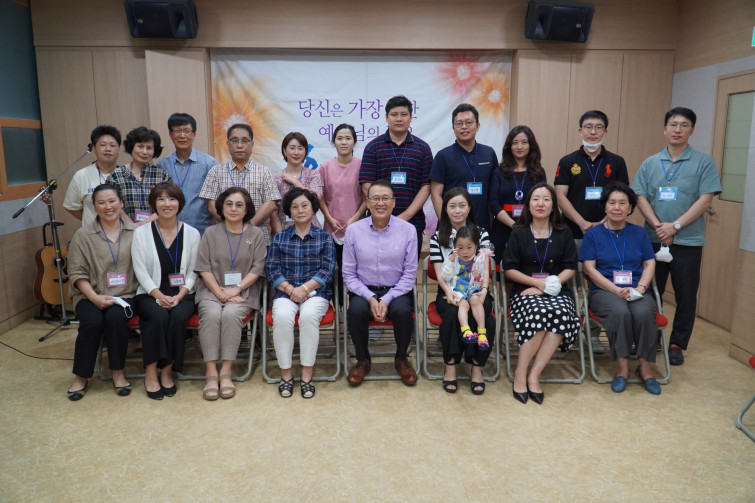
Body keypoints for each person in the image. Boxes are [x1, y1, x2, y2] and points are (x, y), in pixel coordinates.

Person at [633, 107, 722, 366]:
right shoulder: (650, 163)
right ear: (665, 129)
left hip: (688, 242)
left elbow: (706, 199)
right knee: (651, 292)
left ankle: (677, 344)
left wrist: (676, 226)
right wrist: (659, 226)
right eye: (673, 124)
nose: (678, 130)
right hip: (653, 238)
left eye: (684, 125)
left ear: (691, 130)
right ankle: (650, 337)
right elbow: (640, 197)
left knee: (686, 295)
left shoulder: (704, 162)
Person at [501, 183, 581, 405]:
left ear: (553, 205)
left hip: (558, 291)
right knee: (539, 314)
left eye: (546, 199)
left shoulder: (564, 232)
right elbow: (509, 269)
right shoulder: (519, 232)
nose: (541, 204)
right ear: (528, 204)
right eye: (536, 199)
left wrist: (547, 286)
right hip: (525, 291)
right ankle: (520, 373)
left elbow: (570, 268)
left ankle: (534, 375)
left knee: (561, 314)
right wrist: (537, 284)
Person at [580, 182, 660, 395]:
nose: (617, 207)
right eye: (612, 202)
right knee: (620, 312)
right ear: (605, 206)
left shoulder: (639, 233)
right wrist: (615, 289)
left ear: (630, 207)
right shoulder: (593, 234)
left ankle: (645, 368)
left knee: (643, 312)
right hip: (604, 291)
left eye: (622, 203)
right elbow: (589, 268)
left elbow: (649, 263)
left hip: (637, 289)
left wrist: (641, 288)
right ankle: (622, 368)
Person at [66, 183, 137, 401]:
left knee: (116, 320)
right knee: (92, 322)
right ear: (94, 207)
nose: (108, 207)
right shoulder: (83, 235)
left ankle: (118, 372)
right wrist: (95, 298)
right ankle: (81, 376)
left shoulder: (136, 232)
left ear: (121, 203)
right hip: (90, 294)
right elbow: (76, 272)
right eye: (101, 202)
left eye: (112, 201)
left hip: (126, 295)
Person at [194, 187, 267, 400]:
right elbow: (203, 267)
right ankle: (211, 372)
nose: (233, 209)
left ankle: (226, 372)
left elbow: (258, 268)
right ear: (221, 207)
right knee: (211, 314)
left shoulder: (255, 234)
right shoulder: (210, 233)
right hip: (211, 290)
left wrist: (236, 289)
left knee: (230, 314)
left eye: (239, 205)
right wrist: (219, 292)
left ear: (246, 209)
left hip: (243, 291)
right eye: (229, 204)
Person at [343, 180, 418, 386]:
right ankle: (362, 360)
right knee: (356, 312)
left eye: (385, 198)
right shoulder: (353, 231)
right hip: (363, 289)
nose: (380, 203)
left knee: (403, 311)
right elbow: (349, 274)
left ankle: (401, 358)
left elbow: (409, 274)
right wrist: (370, 298)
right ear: (367, 202)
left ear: (394, 202)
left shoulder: (408, 230)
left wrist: (386, 299)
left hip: (397, 289)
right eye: (375, 198)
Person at [132, 182, 200, 400]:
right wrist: (159, 295)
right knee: (157, 316)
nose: (167, 204)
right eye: (161, 199)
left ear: (180, 203)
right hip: (149, 293)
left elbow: (193, 271)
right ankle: (151, 372)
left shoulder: (192, 233)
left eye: (172, 199)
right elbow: (140, 271)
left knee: (178, 317)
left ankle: (167, 371)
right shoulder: (141, 233)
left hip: (183, 293)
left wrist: (179, 296)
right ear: (154, 204)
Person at [266, 188, 335, 399]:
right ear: (289, 211)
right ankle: (286, 374)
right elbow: (272, 269)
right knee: (282, 316)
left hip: (316, 293)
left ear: (313, 209)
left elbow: (327, 270)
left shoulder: (324, 237)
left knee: (308, 316)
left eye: (305, 205)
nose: (300, 210)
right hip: (285, 292)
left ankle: (307, 375)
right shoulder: (280, 237)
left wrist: (304, 289)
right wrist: (290, 289)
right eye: (295, 207)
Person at [430, 200, 495, 394]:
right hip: (450, 290)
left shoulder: (481, 233)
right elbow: (441, 273)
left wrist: (484, 290)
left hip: (477, 290)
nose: (457, 210)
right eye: (452, 206)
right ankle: (450, 365)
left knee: (484, 315)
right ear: (445, 209)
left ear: (469, 208)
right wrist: (448, 292)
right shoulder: (437, 237)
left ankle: (477, 367)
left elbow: (485, 266)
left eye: (462, 205)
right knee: (452, 314)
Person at [359, 95, 432, 257]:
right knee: (376, 267)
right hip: (377, 223)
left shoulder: (423, 149)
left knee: (408, 269)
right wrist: (386, 216)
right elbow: (366, 186)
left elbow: (426, 187)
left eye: (404, 114)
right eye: (394, 114)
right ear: (386, 117)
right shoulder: (373, 147)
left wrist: (405, 216)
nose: (399, 119)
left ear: (411, 117)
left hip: (412, 223)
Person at [198, 123, 281, 246]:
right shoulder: (215, 172)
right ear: (227, 144)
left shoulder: (264, 172)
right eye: (234, 141)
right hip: (224, 238)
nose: (240, 145)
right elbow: (211, 204)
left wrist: (249, 226)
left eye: (245, 141)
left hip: (258, 238)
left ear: (252, 144)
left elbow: (271, 203)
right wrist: (231, 226)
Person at [555, 110, 629, 242]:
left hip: (609, 230)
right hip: (572, 233)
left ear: (605, 132)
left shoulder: (617, 162)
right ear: (580, 131)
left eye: (598, 127)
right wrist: (582, 223)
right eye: (588, 127)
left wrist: (602, 223)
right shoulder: (567, 161)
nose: (593, 132)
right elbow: (560, 196)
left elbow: (624, 197)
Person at [318, 123, 366, 306]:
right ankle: (339, 309)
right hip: (332, 228)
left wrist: (354, 218)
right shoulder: (325, 167)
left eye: (348, 138)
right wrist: (329, 218)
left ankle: (355, 309)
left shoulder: (362, 166)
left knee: (357, 271)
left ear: (354, 142)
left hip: (357, 228)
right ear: (334, 142)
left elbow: (367, 197)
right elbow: (320, 197)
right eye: (340, 138)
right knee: (334, 271)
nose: (344, 142)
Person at [430, 103, 499, 229]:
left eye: (469, 122)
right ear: (453, 127)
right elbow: (436, 194)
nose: (464, 127)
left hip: (482, 226)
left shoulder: (489, 153)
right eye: (459, 123)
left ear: (478, 126)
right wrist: (447, 225)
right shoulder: (443, 156)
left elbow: (494, 191)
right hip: (452, 227)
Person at [489, 125, 547, 264]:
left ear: (531, 145)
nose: (519, 147)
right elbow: (494, 203)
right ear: (509, 146)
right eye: (515, 143)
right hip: (502, 228)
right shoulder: (499, 171)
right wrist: (514, 225)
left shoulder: (538, 172)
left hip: (532, 229)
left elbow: (543, 201)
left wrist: (525, 226)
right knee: (502, 268)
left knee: (528, 266)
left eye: (524, 142)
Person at [157, 113, 218, 235]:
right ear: (170, 134)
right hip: (170, 231)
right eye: (177, 131)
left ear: (194, 134)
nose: (182, 136)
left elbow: (215, 201)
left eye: (187, 131)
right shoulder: (162, 165)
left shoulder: (209, 163)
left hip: (201, 230)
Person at [106, 126, 171, 225]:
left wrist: (143, 224)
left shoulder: (162, 175)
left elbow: (169, 203)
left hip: (156, 228)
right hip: (125, 229)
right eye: (140, 146)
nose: (144, 152)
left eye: (149, 148)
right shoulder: (116, 175)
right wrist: (131, 226)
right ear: (131, 147)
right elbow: (111, 204)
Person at [64, 125, 123, 228]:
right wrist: (94, 220)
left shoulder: (126, 175)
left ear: (118, 149)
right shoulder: (82, 175)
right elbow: (71, 207)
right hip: (93, 233)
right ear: (94, 149)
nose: (108, 149)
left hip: (122, 232)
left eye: (112, 145)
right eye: (103, 145)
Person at [272, 132, 323, 231]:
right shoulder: (276, 178)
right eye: (292, 148)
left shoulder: (313, 175)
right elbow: (273, 211)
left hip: (312, 232)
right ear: (284, 151)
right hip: (285, 231)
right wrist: (280, 236)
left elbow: (315, 200)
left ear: (305, 151)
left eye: (300, 148)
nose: (296, 152)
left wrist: (295, 183)